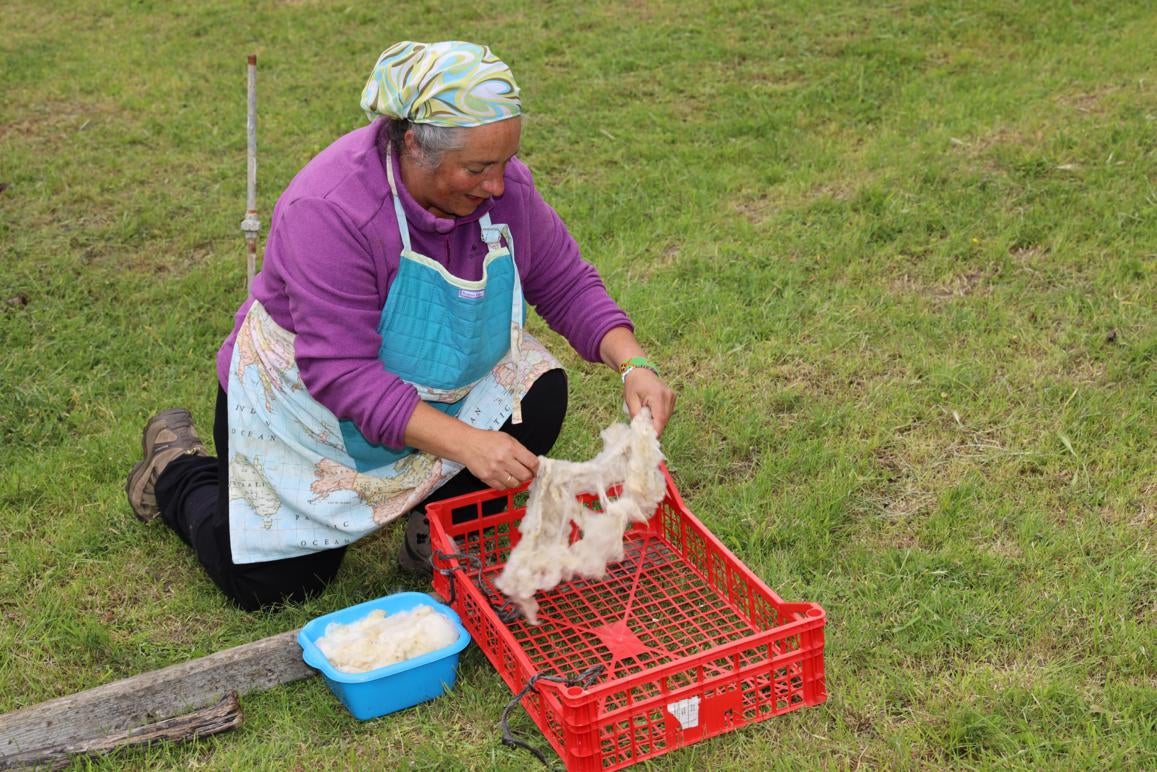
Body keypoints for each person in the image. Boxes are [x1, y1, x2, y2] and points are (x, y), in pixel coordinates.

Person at [125, 41, 676, 611]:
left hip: (429, 377)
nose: (497, 185)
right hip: (310, 404)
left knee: (535, 395)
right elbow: (341, 374)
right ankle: (177, 470)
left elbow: (564, 281)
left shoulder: (506, 190)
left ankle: (432, 526)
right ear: (414, 145)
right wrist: (468, 444)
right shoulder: (331, 209)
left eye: (506, 163)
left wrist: (632, 361)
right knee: (274, 590)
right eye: (479, 168)